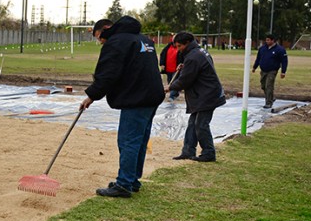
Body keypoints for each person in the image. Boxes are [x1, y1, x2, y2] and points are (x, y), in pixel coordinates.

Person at [82, 16, 164, 198]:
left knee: (128, 141)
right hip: (151, 96)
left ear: (106, 29)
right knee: (140, 140)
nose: (101, 42)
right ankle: (132, 180)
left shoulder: (117, 42)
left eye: (99, 37)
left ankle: (124, 183)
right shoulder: (144, 39)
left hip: (137, 98)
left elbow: (108, 74)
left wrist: (91, 96)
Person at [166, 32, 226, 163]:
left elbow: (185, 80)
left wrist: (170, 87)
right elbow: (194, 70)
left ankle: (209, 153)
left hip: (207, 95)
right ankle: (188, 151)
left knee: (201, 125)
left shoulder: (193, 57)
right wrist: (184, 67)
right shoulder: (198, 52)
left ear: (187, 43)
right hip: (202, 94)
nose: (178, 49)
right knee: (193, 123)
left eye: (179, 46)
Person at [252, 34, 289, 109]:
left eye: (268, 40)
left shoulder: (280, 49)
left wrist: (283, 71)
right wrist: (254, 67)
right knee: (263, 86)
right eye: (266, 40)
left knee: (269, 86)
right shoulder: (262, 48)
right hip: (263, 70)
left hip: (272, 70)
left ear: (273, 40)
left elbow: (284, 61)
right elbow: (258, 58)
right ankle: (271, 97)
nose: (266, 41)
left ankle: (268, 103)